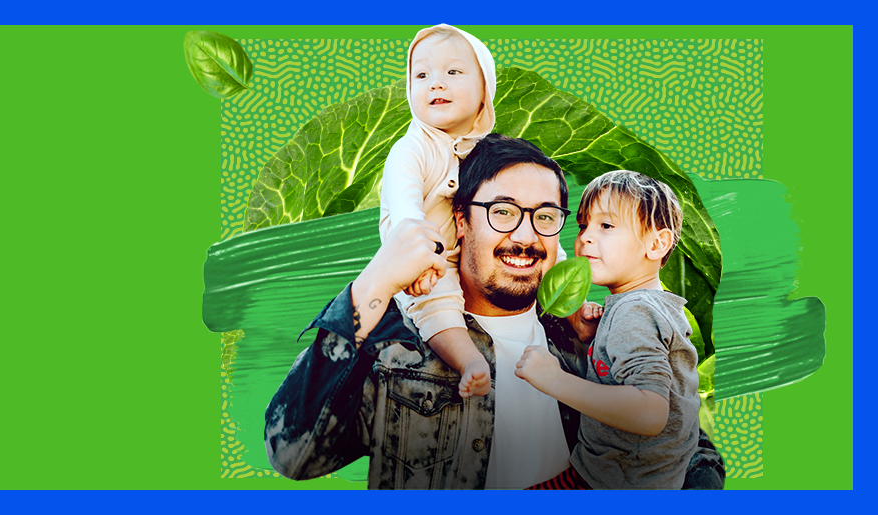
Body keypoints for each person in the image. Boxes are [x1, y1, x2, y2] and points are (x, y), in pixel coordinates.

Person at [264, 134, 724, 489]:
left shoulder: (586, 331)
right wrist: (375, 282)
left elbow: (688, 445)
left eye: (545, 216)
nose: (525, 236)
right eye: (503, 212)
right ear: (461, 220)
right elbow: (294, 454)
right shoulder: (394, 340)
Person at [379, 24, 568, 399]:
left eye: (453, 72)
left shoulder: (488, 151)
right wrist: (419, 262)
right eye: (421, 75)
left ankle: (575, 314)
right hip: (423, 259)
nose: (436, 83)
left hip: (457, 255)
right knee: (438, 304)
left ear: (486, 89)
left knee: (549, 250)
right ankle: (470, 361)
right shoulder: (412, 149)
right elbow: (405, 212)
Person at [517, 170, 700, 489]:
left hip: (609, 483)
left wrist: (554, 380)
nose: (586, 237)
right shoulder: (654, 305)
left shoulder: (633, 312)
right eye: (583, 225)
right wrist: (595, 339)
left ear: (657, 244)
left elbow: (650, 413)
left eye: (606, 226)